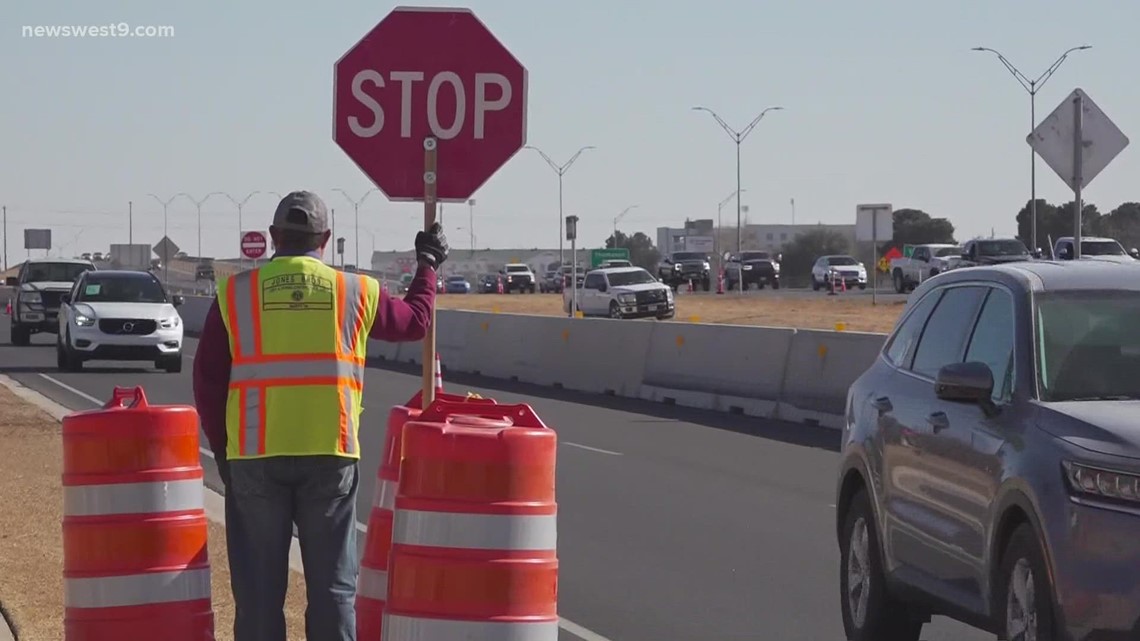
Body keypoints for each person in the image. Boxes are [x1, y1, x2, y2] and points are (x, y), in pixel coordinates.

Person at [191, 190, 448, 641]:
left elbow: (208, 380)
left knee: (257, 595)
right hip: (331, 453)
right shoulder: (356, 291)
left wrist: (224, 452)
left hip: (254, 456)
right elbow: (415, 322)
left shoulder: (234, 294)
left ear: (273, 237)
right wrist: (427, 264)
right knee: (333, 591)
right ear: (326, 238)